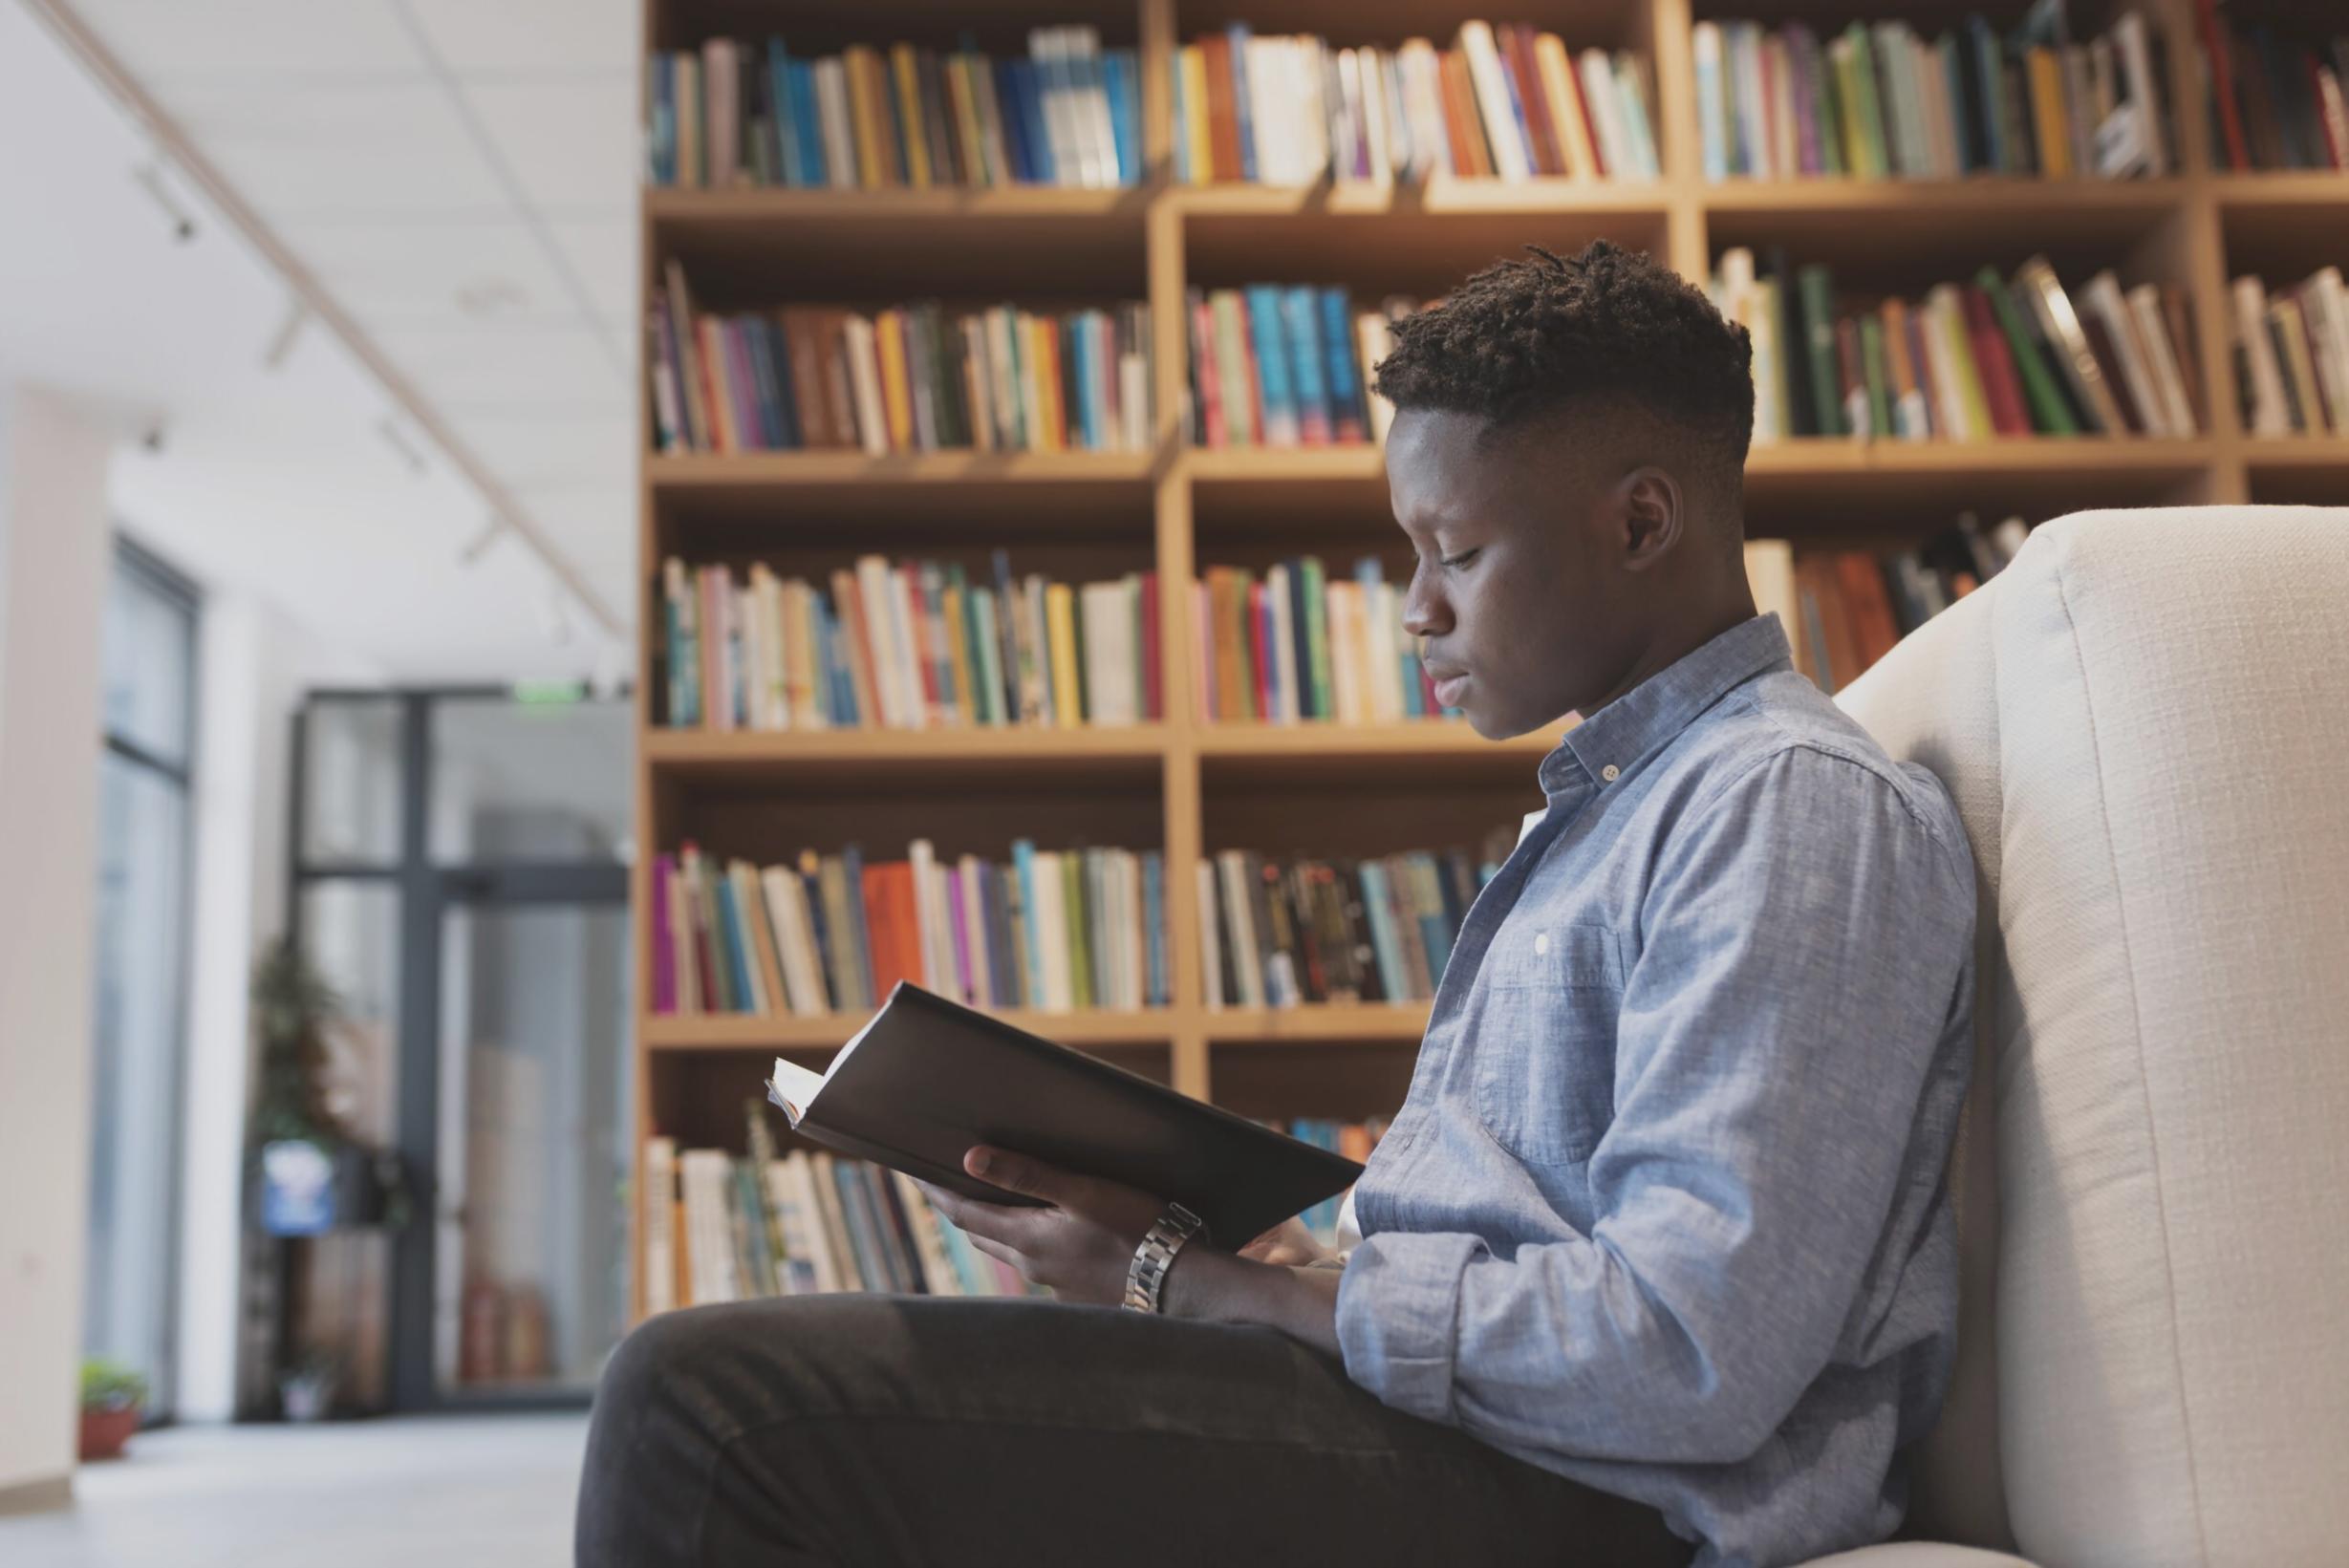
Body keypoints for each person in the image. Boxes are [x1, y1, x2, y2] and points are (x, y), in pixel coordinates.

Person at [575, 240, 1976, 1568]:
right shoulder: (1608, 812)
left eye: (1454, 551)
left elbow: (1690, 1353)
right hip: (1482, 1443)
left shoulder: (1783, 802)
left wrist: (1216, 1285)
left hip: (1599, 1499)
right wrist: (1279, 1265)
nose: (1416, 609)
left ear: (1641, 521)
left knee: (707, 1410)